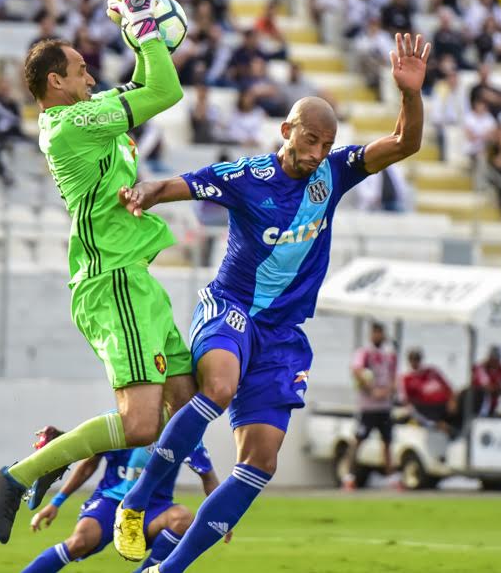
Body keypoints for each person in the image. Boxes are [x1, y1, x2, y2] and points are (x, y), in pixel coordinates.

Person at [110, 32, 432, 570]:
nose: (317, 153)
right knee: (218, 385)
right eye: (310, 140)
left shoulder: (334, 173)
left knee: (260, 461)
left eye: (326, 145)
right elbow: (179, 186)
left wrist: (410, 95)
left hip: (283, 335)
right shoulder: (247, 176)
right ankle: (138, 501)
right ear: (287, 130)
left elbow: (404, 143)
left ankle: (167, 569)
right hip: (231, 308)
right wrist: (145, 192)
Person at [0, 0, 197, 545]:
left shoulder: (90, 111)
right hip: (112, 281)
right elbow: (165, 94)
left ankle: (72, 463)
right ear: (56, 82)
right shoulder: (71, 124)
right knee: (140, 424)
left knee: (189, 402)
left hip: (135, 278)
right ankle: (16, 476)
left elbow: (151, 81)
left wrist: (142, 37)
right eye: (81, 71)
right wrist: (145, 27)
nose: (92, 78)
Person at [21, 428, 224, 573]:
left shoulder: (185, 429)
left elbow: (207, 475)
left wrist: (222, 513)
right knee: (79, 542)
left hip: (153, 507)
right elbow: (88, 465)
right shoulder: (118, 423)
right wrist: (56, 502)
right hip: (110, 501)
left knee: (182, 519)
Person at [342, 322, 399, 490]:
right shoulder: (364, 352)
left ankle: (391, 477)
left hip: (385, 407)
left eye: (380, 333)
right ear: (371, 334)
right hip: (367, 407)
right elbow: (357, 371)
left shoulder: (389, 354)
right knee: (358, 441)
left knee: (387, 442)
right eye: (375, 333)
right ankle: (349, 476)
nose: (378, 336)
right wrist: (372, 390)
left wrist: (387, 391)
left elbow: (394, 377)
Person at [400, 348, 456, 432]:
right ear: (409, 361)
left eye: (417, 359)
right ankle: (439, 424)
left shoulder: (432, 371)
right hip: (427, 408)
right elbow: (407, 401)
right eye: (413, 359)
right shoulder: (408, 378)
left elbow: (448, 387)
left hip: (444, 405)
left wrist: (452, 400)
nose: (415, 362)